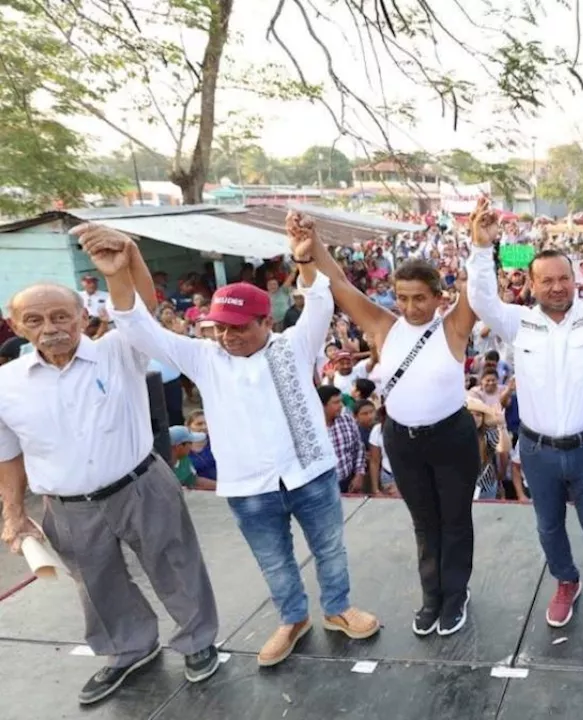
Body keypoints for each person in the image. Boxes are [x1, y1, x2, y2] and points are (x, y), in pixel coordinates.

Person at [83, 222, 380, 668]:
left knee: (330, 549)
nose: (228, 336)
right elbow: (137, 327)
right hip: (248, 487)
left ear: (266, 321)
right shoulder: (203, 357)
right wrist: (116, 276)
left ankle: (337, 609)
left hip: (310, 474)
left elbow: (319, 299)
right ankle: (292, 619)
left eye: (239, 327)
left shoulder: (296, 346)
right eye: (220, 327)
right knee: (274, 561)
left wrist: (303, 256)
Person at [0, 230, 220, 706]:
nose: (50, 326)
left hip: (142, 486)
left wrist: (125, 262)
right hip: (68, 506)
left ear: (84, 315)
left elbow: (138, 312)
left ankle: (198, 641)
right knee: (97, 582)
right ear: (16, 326)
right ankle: (128, 649)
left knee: (175, 565)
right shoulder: (6, 384)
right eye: (34, 319)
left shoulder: (119, 350)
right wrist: (13, 512)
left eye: (61, 315)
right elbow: (8, 452)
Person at [466, 193, 583, 637]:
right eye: (547, 280)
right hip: (537, 452)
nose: (557, 287)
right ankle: (566, 581)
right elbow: (481, 299)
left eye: (564, 279)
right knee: (548, 526)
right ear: (533, 285)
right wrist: (482, 249)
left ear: (576, 281)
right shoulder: (518, 322)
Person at [310, 211, 483, 636]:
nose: (410, 307)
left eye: (420, 298)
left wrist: (480, 242)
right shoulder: (384, 326)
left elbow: (480, 290)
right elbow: (339, 286)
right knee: (424, 522)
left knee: (455, 520)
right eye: (402, 298)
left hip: (452, 438)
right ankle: (432, 596)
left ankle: (455, 595)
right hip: (402, 442)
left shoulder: (454, 328)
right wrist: (311, 244)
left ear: (439, 297)